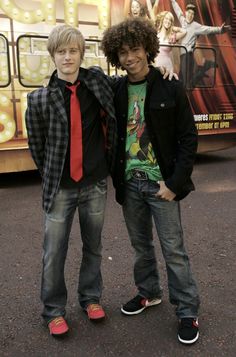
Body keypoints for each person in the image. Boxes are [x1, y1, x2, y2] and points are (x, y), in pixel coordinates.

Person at [101, 17, 200, 345]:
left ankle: (187, 309)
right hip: (130, 184)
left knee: (174, 249)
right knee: (140, 246)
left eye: (135, 50)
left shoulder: (170, 85)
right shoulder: (115, 89)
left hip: (162, 185)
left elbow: (188, 138)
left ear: (148, 49)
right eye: (123, 53)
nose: (130, 57)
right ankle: (149, 293)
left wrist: (174, 183)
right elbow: (85, 83)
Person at [25, 25, 117, 336]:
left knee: (93, 245)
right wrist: (52, 173)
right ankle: (53, 310)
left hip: (94, 184)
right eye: (61, 51)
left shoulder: (96, 83)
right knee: (54, 252)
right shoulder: (39, 100)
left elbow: (132, 81)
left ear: (81, 53)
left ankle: (90, 298)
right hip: (60, 189)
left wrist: (163, 73)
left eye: (73, 50)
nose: (67, 56)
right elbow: (37, 148)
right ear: (53, 55)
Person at [170, 1, 231, 85]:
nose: (190, 15)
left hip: (188, 56)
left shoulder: (196, 26)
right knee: (182, 82)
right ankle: (203, 69)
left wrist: (220, 30)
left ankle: (204, 68)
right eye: (189, 13)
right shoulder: (183, 21)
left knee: (186, 84)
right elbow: (177, 10)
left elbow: (208, 29)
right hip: (182, 56)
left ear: (193, 16)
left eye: (192, 14)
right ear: (185, 13)